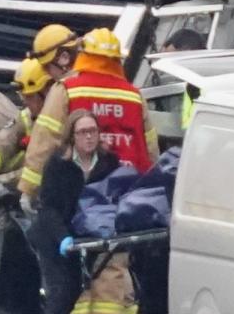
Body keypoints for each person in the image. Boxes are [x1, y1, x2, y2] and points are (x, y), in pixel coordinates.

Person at [30, 109, 120, 314]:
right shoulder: (58, 165)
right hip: (53, 237)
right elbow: (49, 209)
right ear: (72, 137)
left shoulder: (108, 163)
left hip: (88, 238)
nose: (89, 137)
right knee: (60, 292)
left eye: (93, 131)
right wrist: (62, 239)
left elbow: (115, 197)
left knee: (70, 296)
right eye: (83, 132)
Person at [18, 27, 159, 200]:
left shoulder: (66, 90)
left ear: (83, 55)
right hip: (131, 195)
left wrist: (29, 190)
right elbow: (151, 149)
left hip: (82, 195)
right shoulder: (135, 96)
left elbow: (45, 141)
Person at [0, 58, 52, 197]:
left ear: (46, 92)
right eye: (23, 96)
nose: (25, 102)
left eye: (29, 97)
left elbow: (45, 167)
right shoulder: (26, 116)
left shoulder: (61, 121)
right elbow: (1, 143)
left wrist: (6, 180)